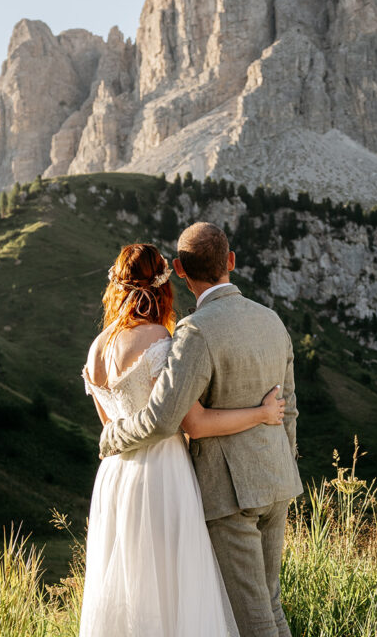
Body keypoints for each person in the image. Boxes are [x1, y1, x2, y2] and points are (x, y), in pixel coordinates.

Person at [100, 223, 302, 637]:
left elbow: (162, 419)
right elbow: (290, 410)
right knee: (272, 607)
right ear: (230, 261)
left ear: (179, 269)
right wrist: (285, 464)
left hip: (230, 493)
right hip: (278, 481)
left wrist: (112, 437)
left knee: (253, 619)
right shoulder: (272, 321)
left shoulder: (195, 331)